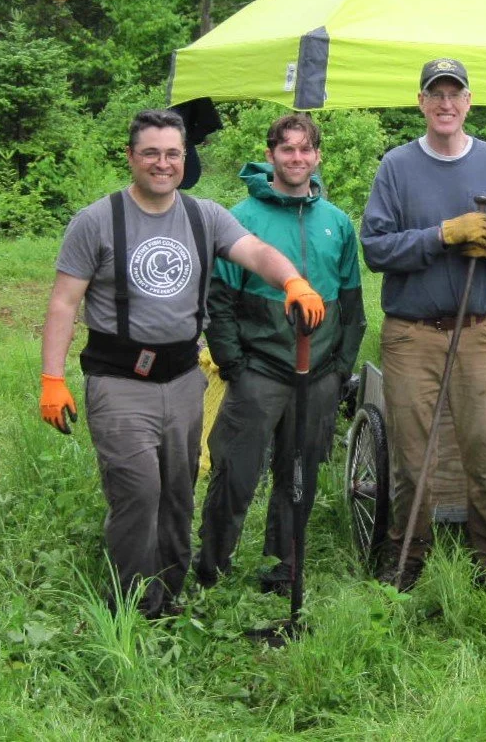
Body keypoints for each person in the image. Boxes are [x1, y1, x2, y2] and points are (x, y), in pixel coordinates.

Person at [39, 108, 325, 618]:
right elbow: (63, 302)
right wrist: (52, 378)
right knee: (139, 493)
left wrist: (292, 281)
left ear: (184, 158)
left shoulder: (204, 216)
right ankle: (131, 607)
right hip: (120, 379)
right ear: (131, 157)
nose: (162, 163)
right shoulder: (97, 220)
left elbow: (257, 252)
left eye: (172, 153)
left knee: (177, 492)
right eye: (150, 152)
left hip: (184, 379)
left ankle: (170, 595)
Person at [360, 58, 486, 589]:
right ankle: (407, 562)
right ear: (420, 103)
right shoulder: (396, 167)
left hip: (479, 333)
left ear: (468, 101)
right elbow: (375, 248)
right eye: (434, 94)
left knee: (484, 454)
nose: (445, 104)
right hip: (411, 334)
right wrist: (440, 235)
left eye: (454, 94)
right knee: (412, 458)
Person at [194, 113, 366, 594]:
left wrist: (340, 368)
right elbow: (220, 301)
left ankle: (282, 567)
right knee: (234, 470)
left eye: (305, 149)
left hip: (320, 375)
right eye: (287, 149)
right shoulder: (241, 218)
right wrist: (234, 364)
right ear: (270, 155)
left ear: (318, 156)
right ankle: (212, 568)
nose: (297, 158)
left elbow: (353, 305)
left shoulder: (336, 222)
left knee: (300, 475)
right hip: (259, 371)